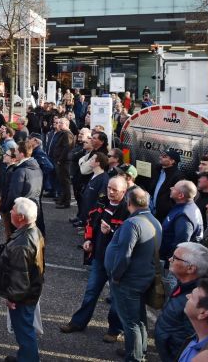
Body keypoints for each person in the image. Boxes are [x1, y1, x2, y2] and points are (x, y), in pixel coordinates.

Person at [61, 176, 128, 342]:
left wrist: (111, 231)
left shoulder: (127, 209)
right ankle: (78, 322)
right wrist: (88, 239)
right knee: (91, 292)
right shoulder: (101, 203)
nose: (110, 192)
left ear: (124, 191)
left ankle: (114, 330)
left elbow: (129, 236)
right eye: (109, 188)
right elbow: (91, 221)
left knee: (116, 297)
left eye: (115, 190)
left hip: (117, 262)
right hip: (99, 257)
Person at [104, 187, 162, 362]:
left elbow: (124, 255)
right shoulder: (154, 221)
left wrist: (116, 276)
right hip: (144, 277)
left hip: (128, 280)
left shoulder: (132, 223)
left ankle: (134, 357)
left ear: (128, 203)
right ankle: (139, 350)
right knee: (139, 318)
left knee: (130, 322)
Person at [0, 197, 45, 362]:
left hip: (23, 297)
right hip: (30, 291)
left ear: (21, 218)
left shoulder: (21, 244)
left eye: (14, 210)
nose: (10, 211)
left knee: (24, 332)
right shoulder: (33, 230)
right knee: (25, 331)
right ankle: (25, 357)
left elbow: (19, 276)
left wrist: (12, 298)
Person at [155, 242, 208, 362]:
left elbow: (191, 338)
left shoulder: (196, 300)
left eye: (175, 258)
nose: (170, 259)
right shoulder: (183, 284)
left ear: (190, 268)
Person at [160, 180, 204, 291]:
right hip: (173, 260)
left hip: (174, 264)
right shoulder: (187, 207)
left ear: (180, 195)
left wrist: (171, 262)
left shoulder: (184, 215)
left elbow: (182, 242)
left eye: (174, 188)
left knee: (171, 289)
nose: (171, 189)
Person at [76, 152, 110, 228]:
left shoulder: (104, 179)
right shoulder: (93, 174)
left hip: (93, 216)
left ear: (97, 163)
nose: (90, 161)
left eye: (92, 159)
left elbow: (101, 200)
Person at [150, 149, 184, 223]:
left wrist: (166, 209)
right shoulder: (158, 171)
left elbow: (177, 198)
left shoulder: (177, 176)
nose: (160, 157)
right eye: (161, 155)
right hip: (153, 211)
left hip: (165, 216)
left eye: (165, 156)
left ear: (172, 161)